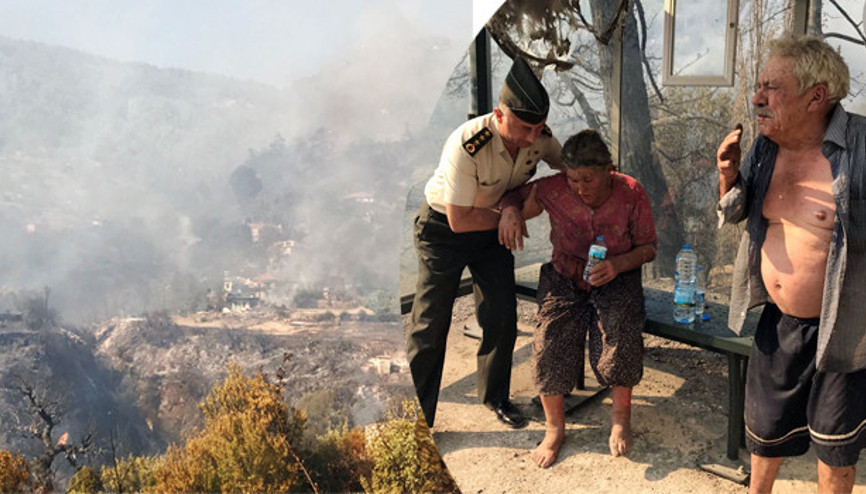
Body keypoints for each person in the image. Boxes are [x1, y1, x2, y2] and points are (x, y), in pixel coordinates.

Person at [716, 34, 866, 494]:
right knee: (765, 430)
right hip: (779, 322)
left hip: (846, 327)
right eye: (759, 86)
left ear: (816, 97)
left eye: (772, 88)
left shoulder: (861, 146)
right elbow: (739, 212)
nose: (757, 98)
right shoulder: (766, 147)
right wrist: (728, 176)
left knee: (834, 445)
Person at [407, 56, 564, 429]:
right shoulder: (468, 143)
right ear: (499, 114)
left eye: (538, 128)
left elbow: (569, 167)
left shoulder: (539, 137)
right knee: (430, 326)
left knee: (501, 315)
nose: (532, 138)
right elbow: (460, 219)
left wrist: (606, 176)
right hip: (444, 231)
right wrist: (510, 214)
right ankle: (415, 423)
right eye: (524, 128)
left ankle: (496, 397)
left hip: (493, 231)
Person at [502, 129, 657, 467]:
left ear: (608, 170)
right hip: (565, 272)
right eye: (573, 179)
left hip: (616, 274)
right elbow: (514, 194)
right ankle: (554, 427)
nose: (580, 187)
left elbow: (648, 247)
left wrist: (617, 265)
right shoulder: (554, 188)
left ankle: (620, 419)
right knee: (549, 338)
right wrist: (511, 211)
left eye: (588, 179)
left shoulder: (631, 192)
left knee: (620, 333)